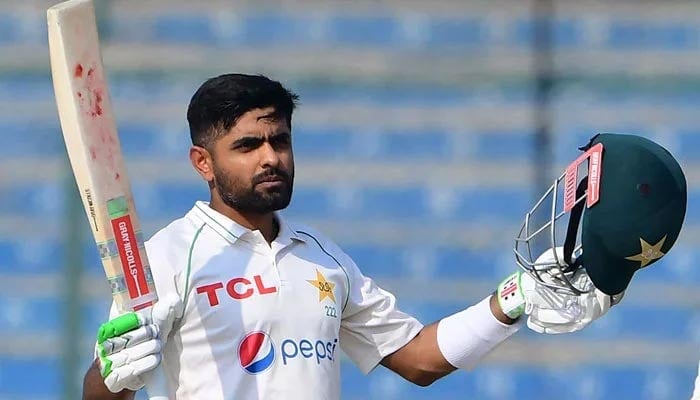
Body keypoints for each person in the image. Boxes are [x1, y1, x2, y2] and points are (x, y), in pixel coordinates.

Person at [81, 74, 687, 400]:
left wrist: (514, 300)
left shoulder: (322, 258)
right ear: (202, 162)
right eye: (247, 146)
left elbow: (417, 361)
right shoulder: (165, 258)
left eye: (280, 141)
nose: (271, 158)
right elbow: (103, 396)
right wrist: (112, 379)